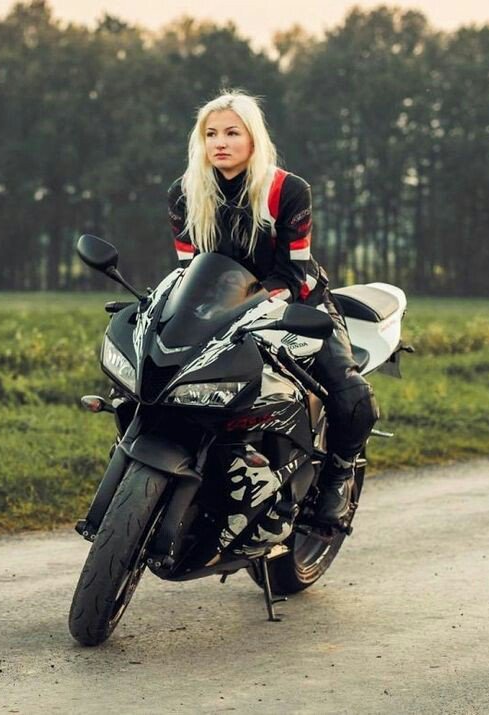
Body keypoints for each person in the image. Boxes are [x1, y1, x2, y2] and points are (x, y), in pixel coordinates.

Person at [167, 90, 379, 525]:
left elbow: (294, 272)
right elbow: (189, 270)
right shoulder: (185, 193)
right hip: (219, 312)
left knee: (350, 392)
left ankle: (338, 477)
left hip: (297, 299)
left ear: (253, 138)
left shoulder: (288, 190)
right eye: (210, 134)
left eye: (232, 133)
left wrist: (249, 309)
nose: (220, 143)